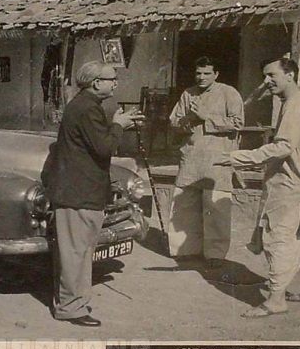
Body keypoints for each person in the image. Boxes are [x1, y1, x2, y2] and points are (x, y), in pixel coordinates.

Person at [216, 57, 300, 318]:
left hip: (293, 185)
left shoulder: (296, 105)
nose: (266, 81)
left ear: (290, 75)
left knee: (278, 239)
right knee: (299, 238)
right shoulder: (299, 102)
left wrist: (238, 157)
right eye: (264, 76)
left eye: (272, 75)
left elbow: (283, 146)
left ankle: (275, 300)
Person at [42, 60, 144, 327]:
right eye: (112, 79)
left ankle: (74, 302)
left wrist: (118, 124)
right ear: (97, 82)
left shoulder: (86, 106)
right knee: (76, 253)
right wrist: (119, 124)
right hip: (77, 192)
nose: (115, 83)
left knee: (79, 251)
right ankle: (70, 308)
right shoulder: (88, 108)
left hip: (79, 191)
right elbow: (104, 147)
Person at [167, 56, 244, 267]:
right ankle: (185, 249)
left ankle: (215, 254)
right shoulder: (188, 94)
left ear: (216, 74)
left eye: (207, 73)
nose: (201, 77)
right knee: (184, 203)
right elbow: (175, 122)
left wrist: (205, 116)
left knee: (216, 206)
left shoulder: (228, 93)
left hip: (217, 156)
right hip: (192, 155)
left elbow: (237, 123)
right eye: (198, 73)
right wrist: (189, 119)